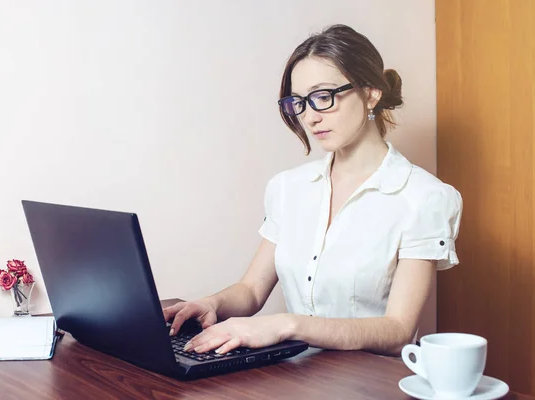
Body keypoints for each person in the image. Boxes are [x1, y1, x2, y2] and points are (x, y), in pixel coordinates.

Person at [163, 24, 463, 357]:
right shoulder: (287, 188)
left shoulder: (425, 197)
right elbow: (250, 290)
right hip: (297, 377)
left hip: (372, 385)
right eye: (300, 102)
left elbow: (397, 330)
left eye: (323, 96)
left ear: (371, 93)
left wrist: (285, 325)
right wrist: (211, 303)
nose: (310, 117)